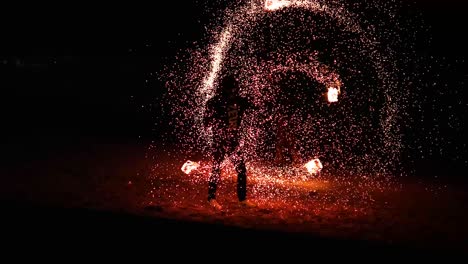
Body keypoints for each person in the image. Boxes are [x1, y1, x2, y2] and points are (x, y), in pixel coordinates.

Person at [203, 74, 257, 210]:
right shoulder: (214, 102)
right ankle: (211, 198)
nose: (234, 91)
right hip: (219, 141)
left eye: (235, 89)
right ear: (224, 89)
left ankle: (242, 199)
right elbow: (206, 123)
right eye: (231, 89)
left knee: (241, 170)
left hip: (233, 142)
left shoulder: (239, 101)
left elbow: (257, 107)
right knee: (216, 169)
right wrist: (218, 121)